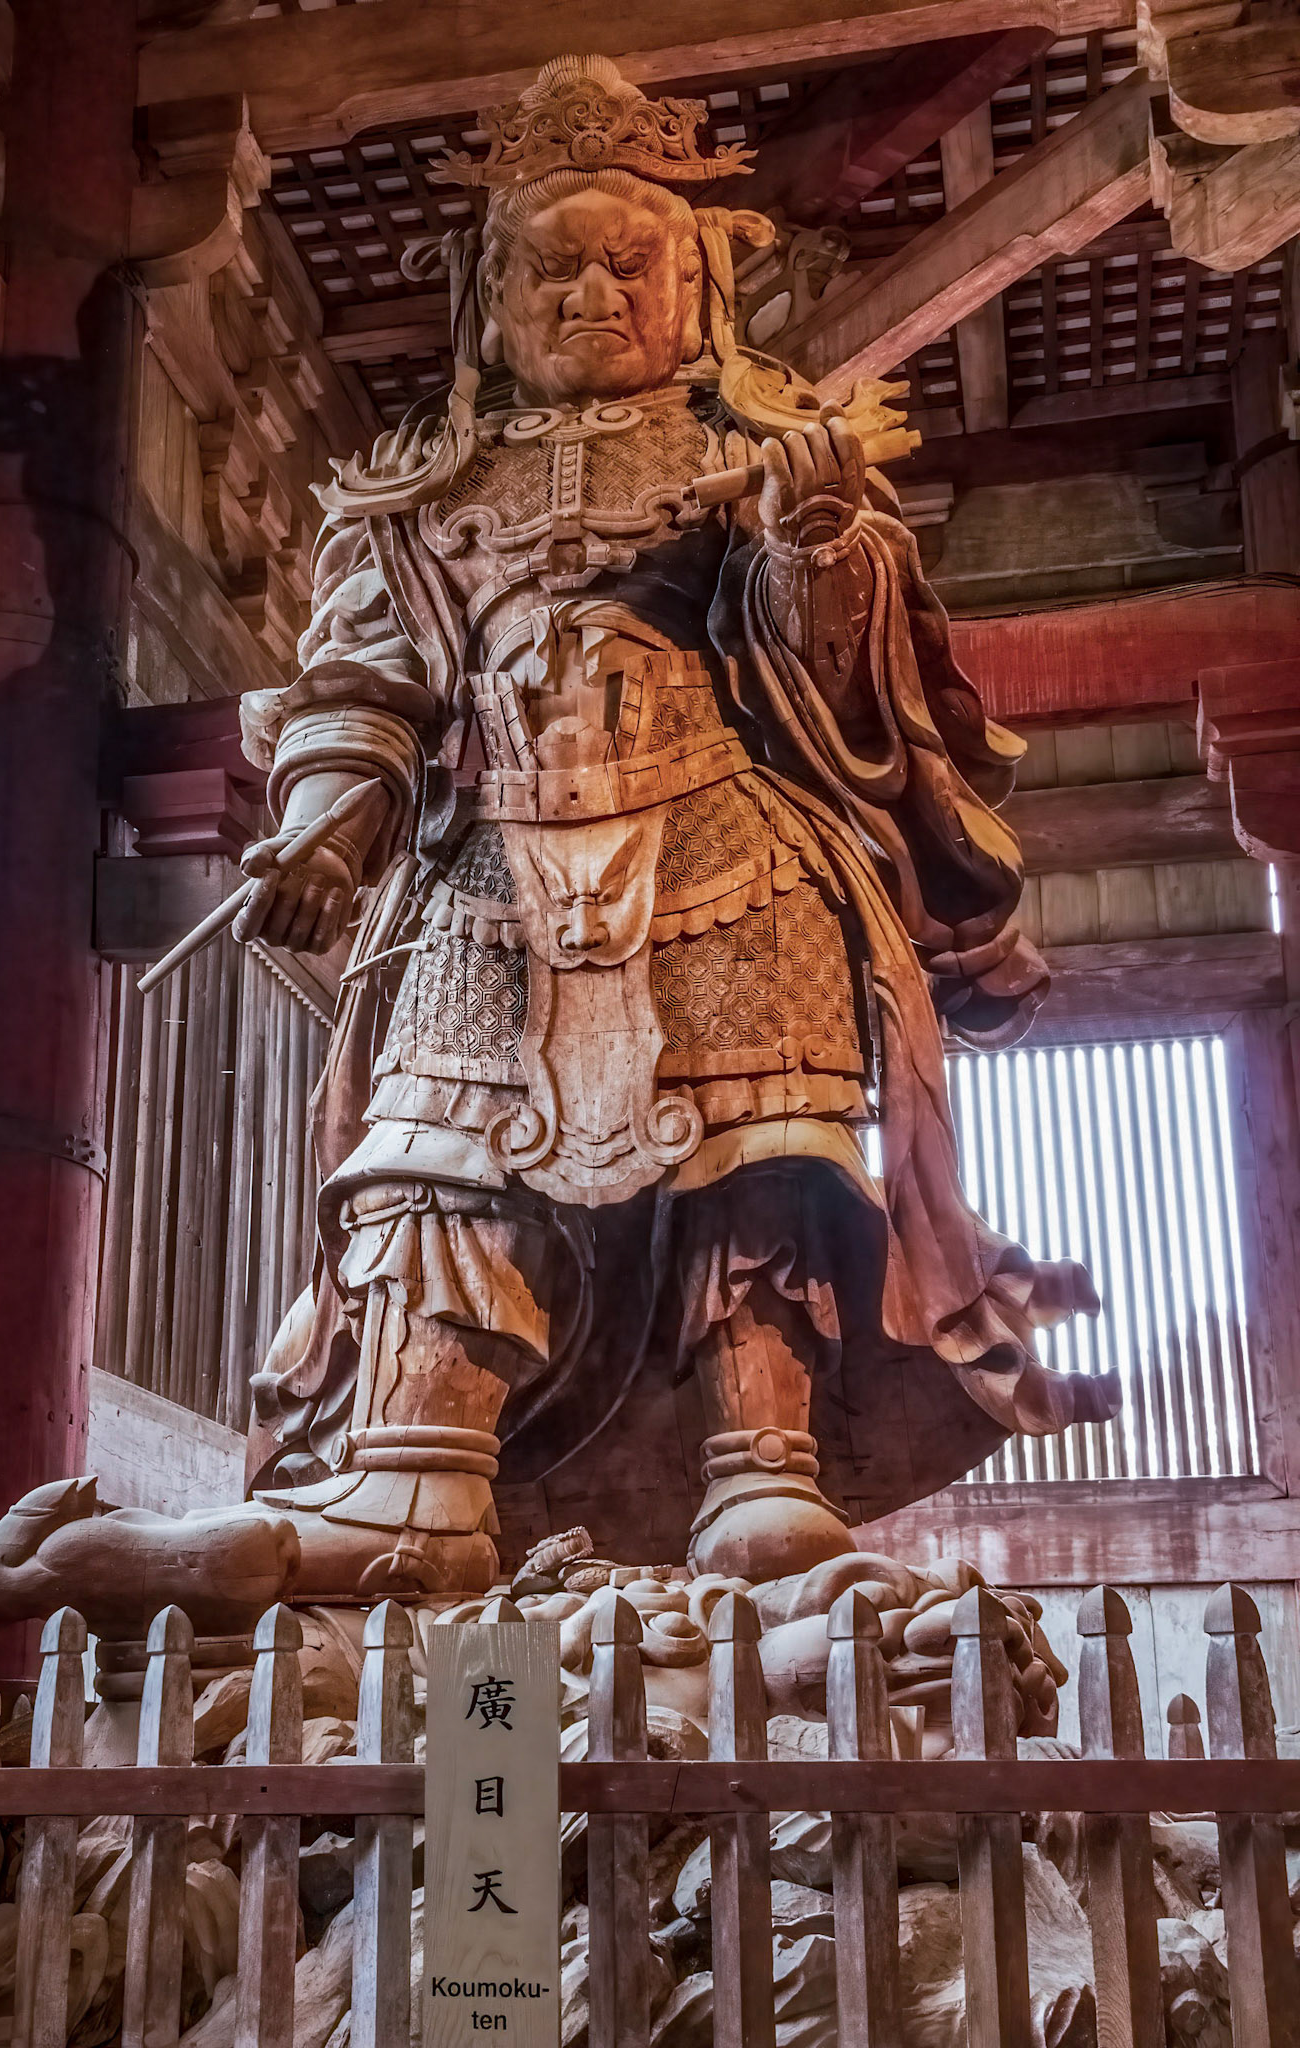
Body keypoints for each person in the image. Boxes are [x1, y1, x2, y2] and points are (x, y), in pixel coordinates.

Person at [232, 55, 1117, 1601]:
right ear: (489, 303)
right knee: (434, 1151)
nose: (589, 296)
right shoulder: (413, 496)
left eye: (624, 265)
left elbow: (839, 675)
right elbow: (358, 689)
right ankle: (420, 1459)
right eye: (551, 270)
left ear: (695, 285)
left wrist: (817, 544)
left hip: (727, 851)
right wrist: (324, 830)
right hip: (489, 871)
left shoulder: (762, 453)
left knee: (755, 1148)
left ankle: (761, 1463)